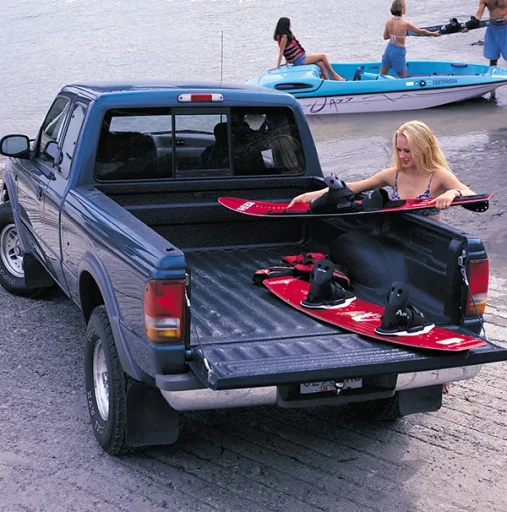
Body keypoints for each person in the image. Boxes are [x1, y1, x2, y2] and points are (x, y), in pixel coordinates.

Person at [288, 120, 476, 222]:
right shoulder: (393, 175)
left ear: (423, 149)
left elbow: (472, 195)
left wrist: (453, 193)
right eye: (399, 150)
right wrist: (311, 195)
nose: (402, 156)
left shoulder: (438, 175)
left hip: (428, 238)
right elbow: (352, 187)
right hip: (398, 234)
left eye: (408, 151)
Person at [271, 17, 345, 81]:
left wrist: (287, 61)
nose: (291, 25)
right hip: (299, 60)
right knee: (323, 56)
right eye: (289, 24)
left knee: (322, 64)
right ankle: (335, 75)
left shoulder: (282, 35)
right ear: (285, 25)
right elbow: (282, 51)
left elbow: (288, 50)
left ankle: (327, 82)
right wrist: (278, 66)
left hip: (298, 58)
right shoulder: (284, 36)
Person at [381, 0, 440, 77]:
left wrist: (395, 35)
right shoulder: (405, 24)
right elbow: (421, 31)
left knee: (382, 74)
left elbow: (385, 37)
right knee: (403, 77)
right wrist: (433, 34)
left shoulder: (389, 21)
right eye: (405, 7)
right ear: (402, 8)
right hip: (398, 51)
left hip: (388, 49)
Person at [466, 1, 507, 99]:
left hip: (506, 27)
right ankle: (492, 91)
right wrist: (469, 25)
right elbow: (478, 16)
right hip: (492, 28)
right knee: (492, 60)